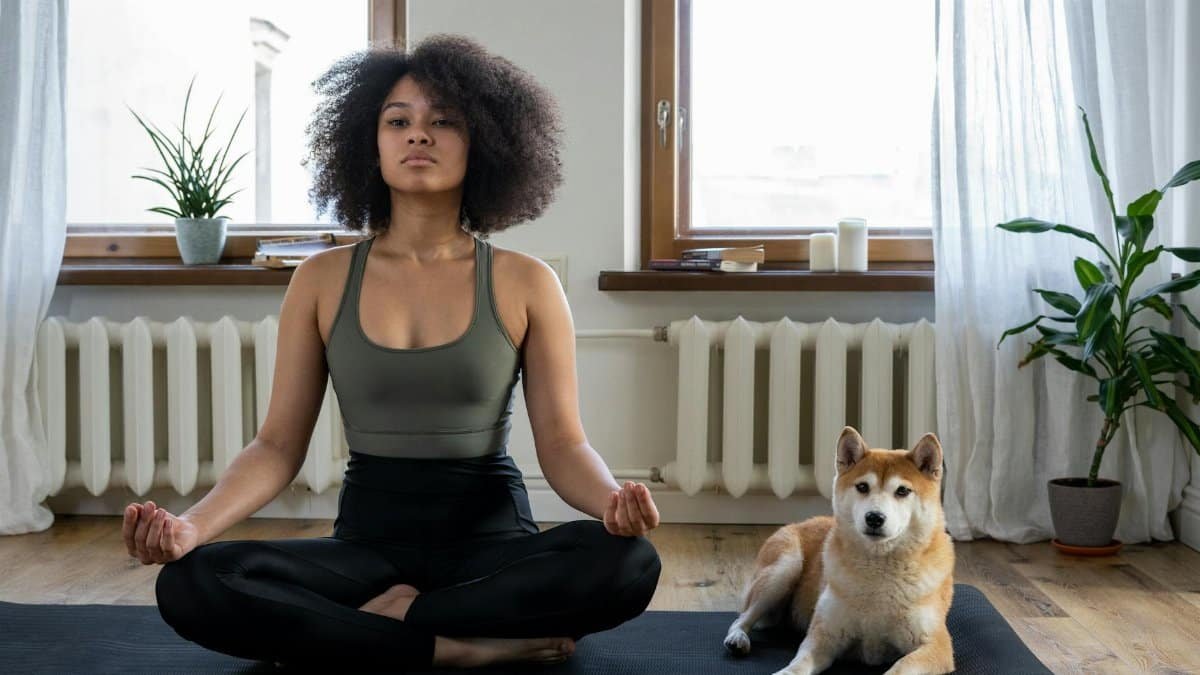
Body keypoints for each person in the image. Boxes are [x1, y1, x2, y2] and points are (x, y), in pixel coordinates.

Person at [121, 34, 662, 671]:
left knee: (628, 563)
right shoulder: (319, 280)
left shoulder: (526, 281)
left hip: (491, 547)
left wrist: (611, 505)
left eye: (444, 121)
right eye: (397, 121)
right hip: (365, 552)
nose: (418, 135)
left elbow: (564, 445)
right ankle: (451, 646)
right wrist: (190, 527)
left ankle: (385, 626)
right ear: (368, 144)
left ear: (483, 142)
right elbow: (276, 447)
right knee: (193, 580)